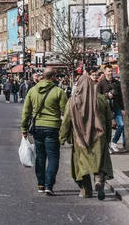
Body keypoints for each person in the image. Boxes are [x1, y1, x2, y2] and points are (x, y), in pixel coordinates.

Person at [59, 74, 113, 200]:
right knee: (99, 163)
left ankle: (86, 191)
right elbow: (109, 120)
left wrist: (61, 137)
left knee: (81, 166)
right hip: (99, 137)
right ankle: (99, 181)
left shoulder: (72, 101)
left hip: (80, 139)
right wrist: (108, 138)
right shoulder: (100, 99)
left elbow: (66, 121)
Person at [21, 67, 68, 195]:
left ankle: (40, 184)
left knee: (40, 156)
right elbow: (66, 112)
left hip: (37, 127)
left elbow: (26, 112)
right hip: (53, 127)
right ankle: (49, 185)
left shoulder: (32, 90)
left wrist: (24, 128)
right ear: (52, 77)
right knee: (53, 157)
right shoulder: (58, 92)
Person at [97, 65, 125, 152]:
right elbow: (97, 96)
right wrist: (106, 95)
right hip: (106, 108)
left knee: (121, 125)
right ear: (105, 72)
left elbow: (120, 96)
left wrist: (122, 108)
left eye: (111, 71)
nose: (110, 73)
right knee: (107, 127)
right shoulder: (101, 83)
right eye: (109, 71)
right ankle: (107, 145)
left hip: (116, 107)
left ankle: (114, 142)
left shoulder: (116, 83)